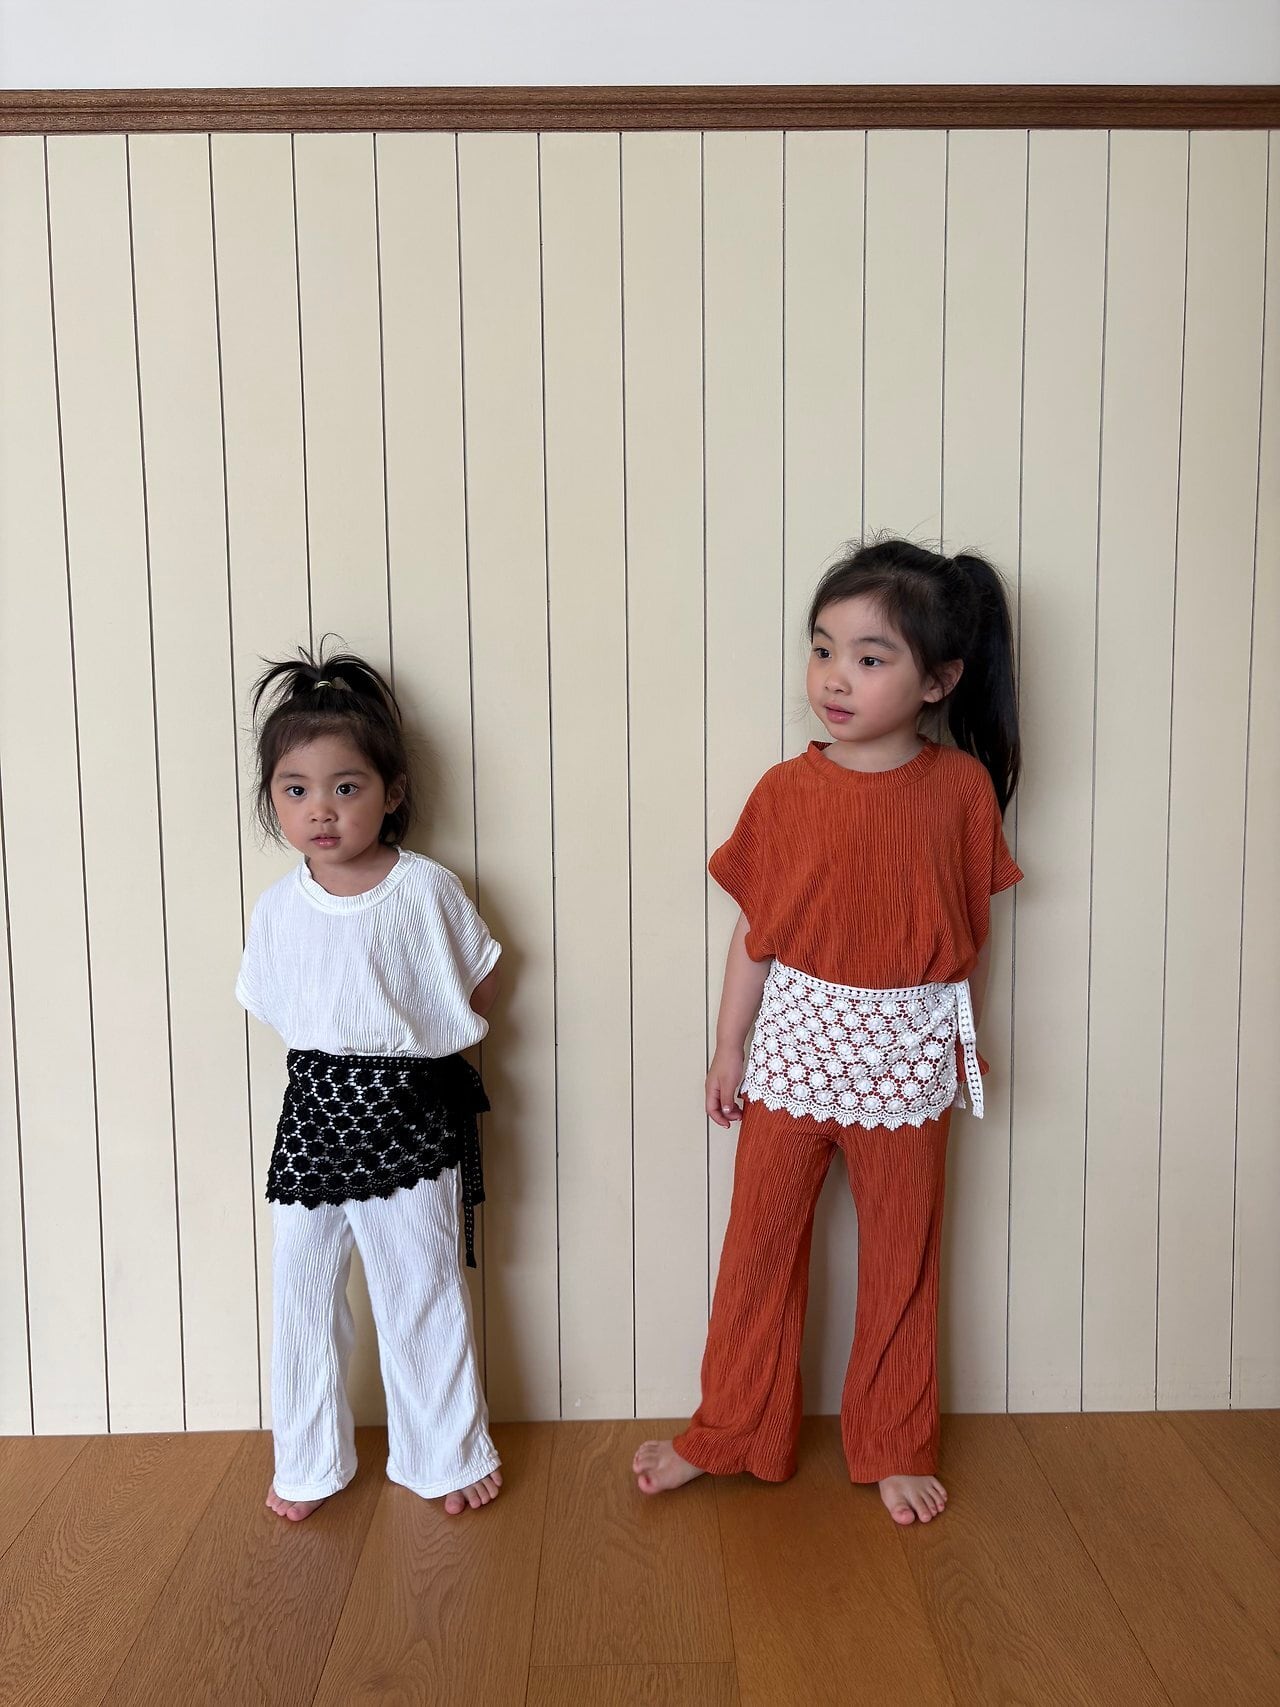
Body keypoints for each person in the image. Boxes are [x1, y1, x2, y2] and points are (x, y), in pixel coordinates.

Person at [633, 538, 1022, 1525]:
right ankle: (729, 1430)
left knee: (902, 1257)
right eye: (821, 649)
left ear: (939, 679)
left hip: (906, 1060)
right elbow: (755, 937)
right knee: (758, 1247)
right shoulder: (783, 790)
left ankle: (892, 1441)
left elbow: (964, 933)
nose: (834, 677)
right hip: (793, 1053)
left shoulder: (961, 792)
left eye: (868, 656)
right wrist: (728, 1048)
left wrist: (949, 1036)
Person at [236, 647, 503, 1522]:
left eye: (346, 787)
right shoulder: (279, 908)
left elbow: (477, 983)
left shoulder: (427, 890)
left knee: (420, 1287)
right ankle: (307, 1460)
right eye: (296, 789)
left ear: (391, 792)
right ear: (274, 799)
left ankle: (445, 1452)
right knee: (303, 1293)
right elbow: (275, 1001)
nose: (321, 808)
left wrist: (410, 1042)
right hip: (316, 1114)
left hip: (411, 1114)